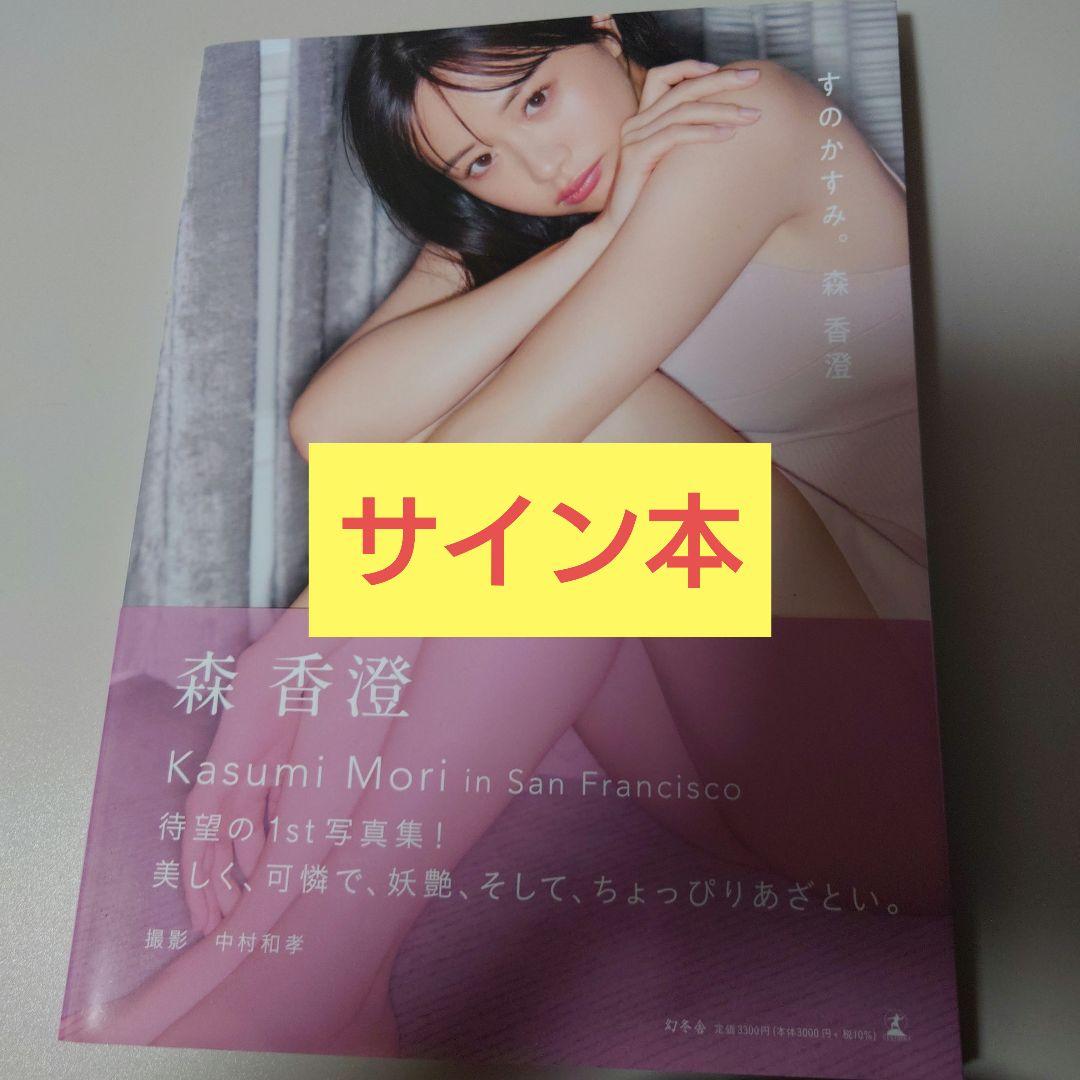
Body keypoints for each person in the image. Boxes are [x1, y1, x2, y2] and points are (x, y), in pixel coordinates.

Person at [61, 11, 930, 1053]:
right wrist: (595, 238)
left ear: (604, 27)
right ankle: (265, 953)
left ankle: (315, 975)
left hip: (915, 770)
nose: (538, 166)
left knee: (585, 439)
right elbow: (337, 428)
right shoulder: (542, 206)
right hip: (744, 777)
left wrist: (283, 650)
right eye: (479, 161)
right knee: (515, 485)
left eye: (536, 98)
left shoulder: (743, 118)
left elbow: (503, 447)